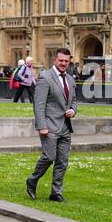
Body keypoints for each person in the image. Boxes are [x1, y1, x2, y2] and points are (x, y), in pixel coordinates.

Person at [27, 47, 76, 203]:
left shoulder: (70, 79)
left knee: (62, 161)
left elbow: (73, 100)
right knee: (49, 157)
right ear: (55, 60)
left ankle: (56, 192)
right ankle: (32, 180)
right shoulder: (45, 77)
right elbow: (39, 104)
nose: (63, 63)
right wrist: (42, 126)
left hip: (65, 127)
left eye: (66, 61)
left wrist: (73, 111)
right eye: (61, 60)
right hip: (49, 125)